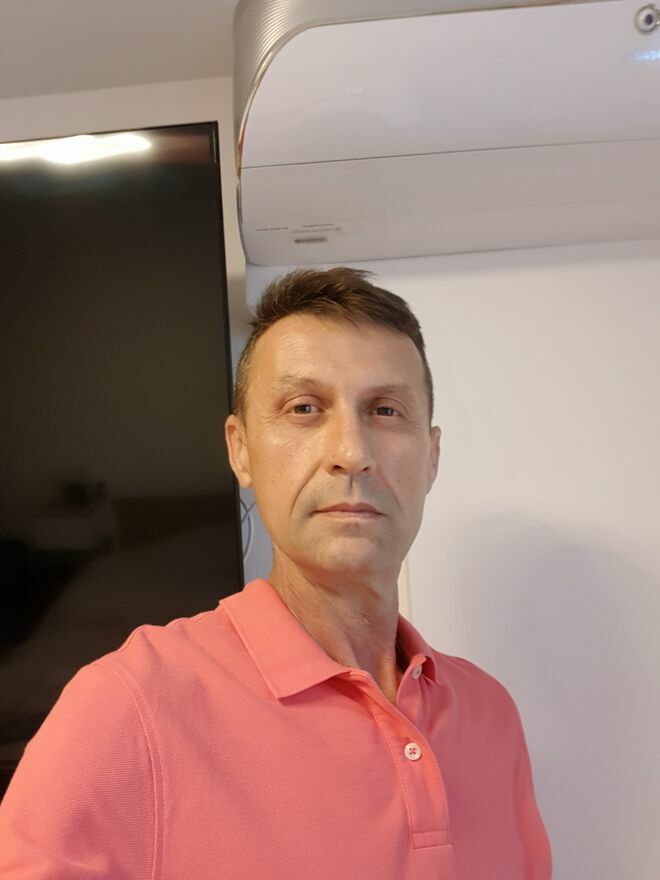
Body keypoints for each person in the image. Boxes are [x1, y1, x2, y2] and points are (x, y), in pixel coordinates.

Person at [0, 267, 552, 878]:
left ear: (432, 456)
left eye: (386, 409)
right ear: (240, 450)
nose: (352, 453)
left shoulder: (490, 714)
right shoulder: (130, 708)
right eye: (304, 408)